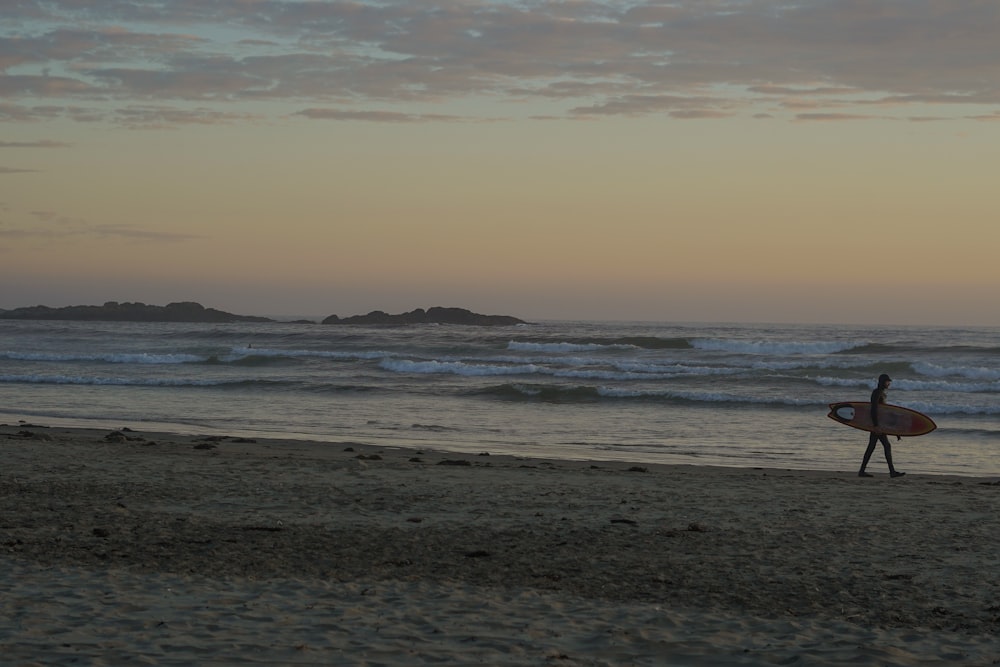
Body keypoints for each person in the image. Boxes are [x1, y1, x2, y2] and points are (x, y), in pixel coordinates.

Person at [858, 373, 905, 478]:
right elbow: (873, 409)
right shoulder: (877, 392)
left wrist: (895, 431)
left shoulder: (882, 393)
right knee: (886, 446)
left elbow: (884, 414)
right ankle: (892, 472)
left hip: (879, 424)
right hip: (877, 425)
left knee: (872, 447)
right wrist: (876, 426)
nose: (889, 383)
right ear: (883, 382)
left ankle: (862, 471)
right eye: (888, 381)